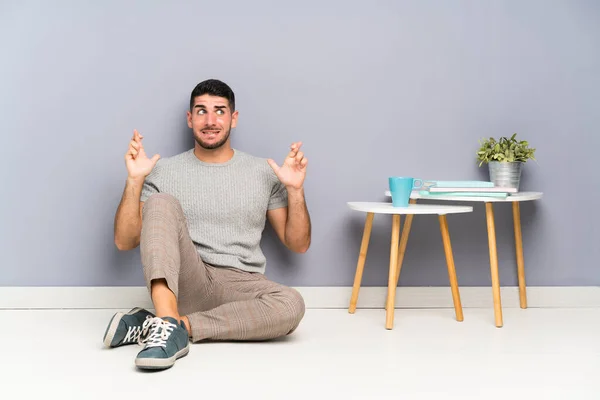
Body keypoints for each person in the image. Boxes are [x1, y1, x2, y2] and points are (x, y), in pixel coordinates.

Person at [103, 79, 311, 371]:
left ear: (233, 118)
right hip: (191, 279)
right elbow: (125, 241)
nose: (210, 120)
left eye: (220, 111)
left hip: (242, 285)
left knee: (292, 305)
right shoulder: (162, 170)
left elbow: (298, 244)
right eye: (201, 111)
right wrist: (135, 181)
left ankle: (167, 325)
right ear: (190, 119)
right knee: (161, 202)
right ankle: (167, 319)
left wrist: (295, 190)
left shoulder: (263, 171)